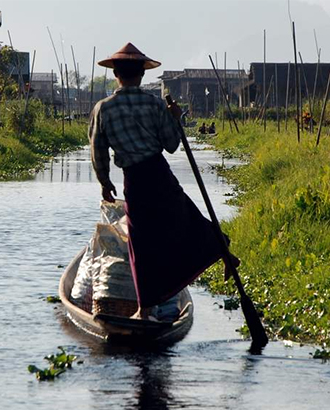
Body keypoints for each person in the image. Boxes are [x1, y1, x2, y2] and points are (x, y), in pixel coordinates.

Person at [89, 43, 238, 322]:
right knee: (186, 218)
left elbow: (98, 149)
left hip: (134, 178)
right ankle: (223, 252)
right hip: (159, 172)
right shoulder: (155, 105)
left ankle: (144, 310)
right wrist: (175, 119)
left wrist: (104, 181)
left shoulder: (103, 109)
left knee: (141, 243)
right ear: (141, 76)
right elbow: (171, 145)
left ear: (116, 75)